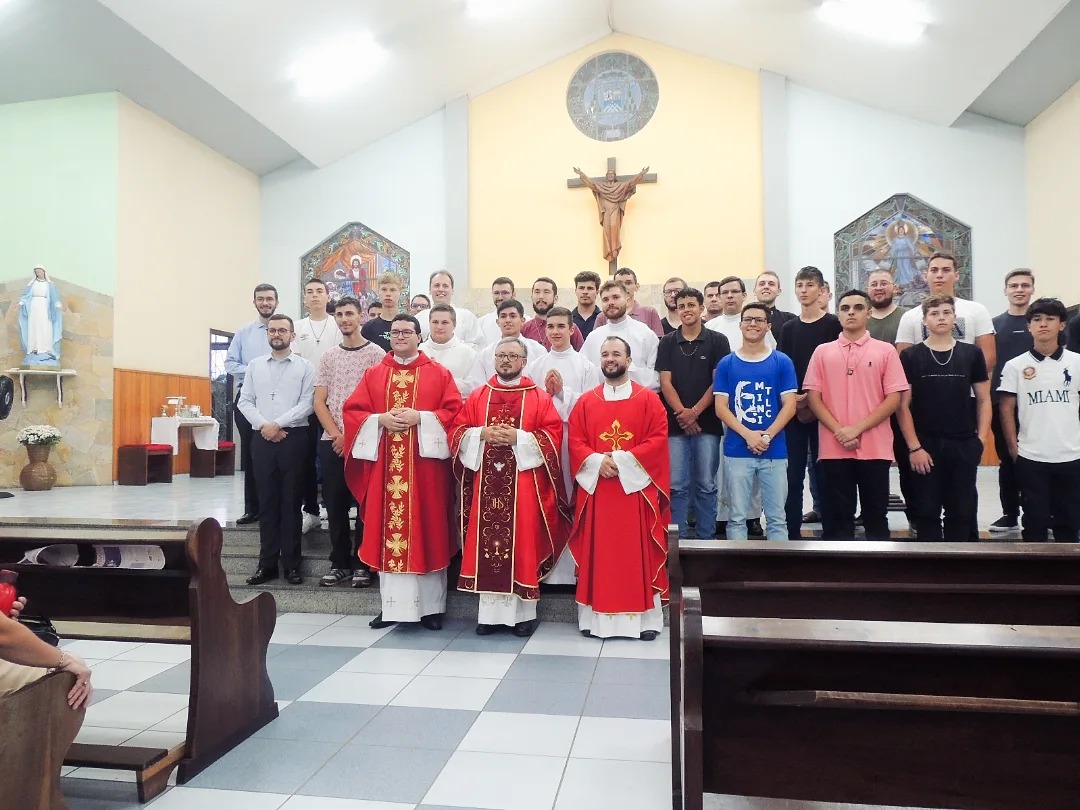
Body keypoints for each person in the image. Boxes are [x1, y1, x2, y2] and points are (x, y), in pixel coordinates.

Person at [344, 314, 463, 629]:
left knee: (429, 530)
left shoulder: (439, 374)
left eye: (406, 331)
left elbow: (454, 413)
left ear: (419, 336)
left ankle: (432, 610)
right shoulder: (374, 374)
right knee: (389, 533)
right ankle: (393, 609)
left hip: (426, 474)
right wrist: (379, 420)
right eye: (394, 332)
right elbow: (353, 412)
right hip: (386, 472)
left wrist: (421, 417)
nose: (399, 336)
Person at [450, 337, 571, 637]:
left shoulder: (539, 397)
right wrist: (481, 433)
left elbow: (552, 435)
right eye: (501, 355)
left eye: (512, 356)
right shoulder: (479, 395)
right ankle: (489, 617)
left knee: (522, 543)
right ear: (493, 359)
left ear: (523, 361)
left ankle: (523, 615)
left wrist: (519, 438)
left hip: (524, 486)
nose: (505, 360)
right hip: (486, 486)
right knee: (487, 544)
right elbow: (458, 430)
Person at [568, 337, 670, 640]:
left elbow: (657, 439)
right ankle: (594, 620)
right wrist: (598, 461)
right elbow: (575, 441)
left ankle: (644, 622)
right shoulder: (586, 401)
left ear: (628, 359)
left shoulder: (649, 400)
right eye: (605, 354)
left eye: (616, 354)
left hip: (635, 492)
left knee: (635, 553)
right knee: (601, 554)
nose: (610, 359)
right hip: (599, 490)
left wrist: (622, 461)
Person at [804, 290, 909, 541]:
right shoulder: (822, 352)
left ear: (869, 312)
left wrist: (856, 429)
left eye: (858, 307)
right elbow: (813, 397)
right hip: (833, 445)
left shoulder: (885, 351)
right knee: (838, 515)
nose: (851, 312)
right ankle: (838, 576)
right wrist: (840, 430)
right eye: (845, 308)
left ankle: (878, 576)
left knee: (876, 514)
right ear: (837, 314)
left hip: (874, 446)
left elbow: (894, 398)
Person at [896, 295, 991, 541]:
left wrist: (980, 440)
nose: (941, 318)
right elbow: (902, 406)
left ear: (954, 318)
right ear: (925, 320)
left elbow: (983, 399)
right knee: (926, 511)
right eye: (935, 313)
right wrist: (914, 446)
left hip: (963, 442)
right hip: (924, 445)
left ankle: (958, 572)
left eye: (946, 313)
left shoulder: (971, 354)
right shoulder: (911, 356)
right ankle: (929, 574)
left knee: (961, 512)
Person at [313, 296, 385, 588]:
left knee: (365, 504)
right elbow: (319, 401)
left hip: (366, 440)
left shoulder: (377, 354)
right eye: (340, 315)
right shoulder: (329, 356)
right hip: (333, 441)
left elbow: (381, 401)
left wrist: (354, 437)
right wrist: (337, 435)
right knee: (335, 503)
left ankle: (362, 563)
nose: (344, 319)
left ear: (361, 317)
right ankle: (339, 561)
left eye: (350, 314)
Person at [239, 314, 316, 586]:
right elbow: (245, 401)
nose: (277, 334)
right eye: (272, 330)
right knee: (268, 503)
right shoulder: (255, 365)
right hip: (262, 438)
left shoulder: (305, 366)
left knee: (291, 503)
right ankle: (266, 564)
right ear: (267, 334)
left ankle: (292, 565)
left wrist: (278, 424)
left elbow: (307, 403)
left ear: (292, 336)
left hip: (293, 438)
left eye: (283, 330)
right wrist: (265, 426)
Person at [528, 307, 601, 583]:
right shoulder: (535, 367)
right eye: (550, 327)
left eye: (561, 326)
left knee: (572, 497)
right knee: (545, 497)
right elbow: (530, 405)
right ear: (545, 331)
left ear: (572, 330)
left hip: (573, 440)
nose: (555, 332)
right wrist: (546, 400)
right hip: (544, 442)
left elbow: (593, 406)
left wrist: (562, 393)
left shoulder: (586, 366)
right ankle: (547, 568)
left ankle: (575, 570)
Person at [713, 302, 799, 540]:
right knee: (737, 517)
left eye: (759, 320)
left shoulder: (782, 362)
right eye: (748, 319)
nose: (753, 324)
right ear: (740, 325)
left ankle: (776, 574)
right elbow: (721, 408)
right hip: (738, 450)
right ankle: (738, 572)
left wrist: (767, 435)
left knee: (776, 519)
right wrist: (749, 435)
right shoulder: (727, 363)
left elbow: (789, 405)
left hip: (775, 450)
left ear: (768, 326)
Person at [998, 297, 1080, 542]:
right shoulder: (1015, 365)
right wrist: (1014, 448)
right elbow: (1006, 408)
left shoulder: (1076, 362)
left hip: (1071, 455)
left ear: (1062, 325)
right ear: (1029, 327)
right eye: (1037, 319)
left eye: (1050, 319)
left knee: (1069, 521)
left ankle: (1067, 579)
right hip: (1032, 456)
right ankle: (1033, 578)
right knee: (1034, 521)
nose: (1043, 324)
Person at [655, 288, 730, 539]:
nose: (686, 309)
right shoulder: (666, 341)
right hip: (675, 424)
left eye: (691, 305)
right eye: (681, 306)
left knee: (706, 485)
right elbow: (665, 382)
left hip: (707, 422)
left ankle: (707, 541)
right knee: (676, 486)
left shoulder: (718, 340)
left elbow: (718, 380)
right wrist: (683, 414)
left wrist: (695, 412)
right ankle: (680, 542)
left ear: (701, 308)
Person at [777, 267, 842, 540]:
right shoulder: (789, 328)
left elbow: (837, 368)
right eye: (800, 285)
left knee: (825, 473)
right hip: (794, 409)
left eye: (810, 285)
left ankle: (832, 533)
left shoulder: (833, 325)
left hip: (826, 410)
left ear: (821, 290)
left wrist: (815, 403)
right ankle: (791, 533)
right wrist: (798, 401)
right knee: (792, 475)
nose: (804, 290)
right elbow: (784, 367)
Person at [225, 283, 279, 525]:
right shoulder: (244, 332)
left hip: (280, 401)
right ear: (254, 302)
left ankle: (280, 506)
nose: (265, 302)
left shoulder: (285, 328)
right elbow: (230, 363)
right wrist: (256, 371)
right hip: (248, 399)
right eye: (261, 299)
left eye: (269, 299)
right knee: (252, 453)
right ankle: (252, 508)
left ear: (276, 302)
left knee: (280, 454)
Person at [293, 279, 343, 535]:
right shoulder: (298, 327)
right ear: (305, 298)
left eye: (319, 292)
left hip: (332, 401)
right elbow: (296, 364)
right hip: (305, 399)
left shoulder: (337, 324)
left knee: (330, 456)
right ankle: (310, 510)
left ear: (327, 296)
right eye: (310, 292)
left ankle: (338, 508)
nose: (314, 296)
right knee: (305, 459)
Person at [988, 268, 1036, 533]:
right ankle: (1009, 514)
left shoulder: (1041, 322)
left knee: (1041, 459)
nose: (1019, 290)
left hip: (1039, 405)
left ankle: (1043, 513)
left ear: (1032, 290)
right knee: (1008, 459)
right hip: (1002, 402)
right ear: (1005, 290)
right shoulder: (994, 325)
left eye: (1025, 285)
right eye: (1014, 285)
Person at [581, 281, 659, 390]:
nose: (611, 302)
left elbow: (656, 376)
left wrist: (629, 369)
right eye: (605, 299)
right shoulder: (593, 337)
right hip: (601, 400)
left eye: (616, 297)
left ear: (627, 300)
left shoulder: (645, 334)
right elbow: (583, 374)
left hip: (636, 399)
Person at [572, 164, 650, 262]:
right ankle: (608, 250)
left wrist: (641, 174)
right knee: (607, 230)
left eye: (612, 174)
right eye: (608, 174)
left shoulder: (620, 186)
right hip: (605, 212)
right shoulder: (601, 186)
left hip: (615, 210)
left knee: (614, 227)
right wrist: (581, 174)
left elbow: (631, 183)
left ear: (615, 176)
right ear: (606, 176)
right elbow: (591, 184)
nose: (610, 175)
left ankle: (614, 249)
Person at [468, 299, 547, 389]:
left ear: (522, 320)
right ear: (497, 322)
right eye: (503, 316)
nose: (508, 320)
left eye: (513, 316)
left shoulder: (538, 350)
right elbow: (478, 387)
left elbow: (542, 385)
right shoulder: (485, 354)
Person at [419, 304, 478, 397]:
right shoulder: (419, 351)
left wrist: (441, 380)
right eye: (435, 322)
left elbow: (473, 385)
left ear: (454, 325)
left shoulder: (469, 353)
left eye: (444, 322)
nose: (439, 327)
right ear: (429, 323)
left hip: (456, 406)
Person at [415, 270, 484, 348]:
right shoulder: (419, 318)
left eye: (445, 286)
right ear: (430, 290)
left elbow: (477, 345)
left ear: (452, 290)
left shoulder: (467, 317)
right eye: (437, 285)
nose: (441, 289)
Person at [706, 275, 777, 351]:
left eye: (734, 291)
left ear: (744, 296)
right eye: (725, 292)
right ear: (719, 297)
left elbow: (770, 352)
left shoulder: (757, 325)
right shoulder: (709, 327)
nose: (730, 296)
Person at [594, 267, 665, 336]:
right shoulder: (602, 317)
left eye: (628, 283)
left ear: (637, 287)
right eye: (619, 283)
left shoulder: (650, 313)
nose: (624, 287)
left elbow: (656, 343)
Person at [521, 277, 584, 349]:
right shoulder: (524, 329)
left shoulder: (569, 328)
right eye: (537, 292)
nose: (541, 297)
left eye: (546, 292)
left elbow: (581, 356)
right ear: (532, 297)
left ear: (555, 298)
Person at [18, 265, 62, 364]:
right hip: (33, 307)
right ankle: (34, 348)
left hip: (45, 307)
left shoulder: (49, 284)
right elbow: (25, 295)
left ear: (44, 272)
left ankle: (45, 348)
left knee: (45, 326)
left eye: (40, 272)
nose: (38, 274)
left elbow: (54, 297)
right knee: (34, 326)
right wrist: (22, 302)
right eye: (37, 272)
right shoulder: (32, 284)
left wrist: (57, 304)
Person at [361, 272, 404, 351]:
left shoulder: (409, 324)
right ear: (378, 292)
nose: (388, 294)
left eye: (392, 290)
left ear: (400, 293)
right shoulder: (368, 327)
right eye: (384, 289)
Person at [867, 269, 909, 344]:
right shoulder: (860, 318)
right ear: (867, 290)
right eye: (874, 285)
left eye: (883, 284)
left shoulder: (907, 315)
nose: (878, 288)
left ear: (894, 288)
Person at [753, 270, 797, 341]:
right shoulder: (745, 319)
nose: (766, 287)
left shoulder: (790, 320)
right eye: (762, 284)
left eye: (771, 284)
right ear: (755, 291)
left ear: (778, 291)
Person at [478, 277, 517, 348]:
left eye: (505, 293)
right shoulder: (481, 323)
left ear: (514, 295)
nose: (500, 297)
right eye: (496, 293)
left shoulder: (526, 321)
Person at [573, 271, 603, 339]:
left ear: (597, 292)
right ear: (576, 291)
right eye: (581, 288)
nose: (585, 292)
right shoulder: (568, 320)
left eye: (590, 288)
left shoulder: (603, 319)